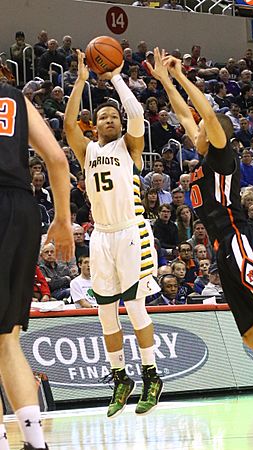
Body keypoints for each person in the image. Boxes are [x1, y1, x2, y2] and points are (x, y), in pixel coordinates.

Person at [149, 47, 253, 442]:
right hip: (223, 249)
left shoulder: (221, 155)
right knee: (251, 332)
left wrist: (182, 77)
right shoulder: (200, 157)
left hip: (239, 238)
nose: (193, 127)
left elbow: (206, 115)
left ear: (216, 134)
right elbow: (186, 114)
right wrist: (165, 82)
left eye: (201, 127)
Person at [64, 50, 162, 419]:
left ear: (119, 124)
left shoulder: (130, 148)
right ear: (96, 125)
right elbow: (69, 125)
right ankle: (121, 377)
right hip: (101, 236)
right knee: (105, 314)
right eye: (101, 116)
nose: (107, 119)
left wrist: (117, 78)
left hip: (130, 232)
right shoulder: (87, 151)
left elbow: (136, 115)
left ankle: (152, 374)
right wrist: (79, 82)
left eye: (112, 116)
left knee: (135, 307)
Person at [0, 82, 73, 450]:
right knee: (7, 338)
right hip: (22, 210)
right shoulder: (15, 97)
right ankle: (34, 442)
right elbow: (57, 160)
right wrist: (62, 220)